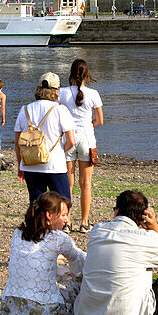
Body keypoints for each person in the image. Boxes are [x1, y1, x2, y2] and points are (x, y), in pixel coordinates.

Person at [0, 191, 86, 315]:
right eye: (63, 215)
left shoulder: (18, 233)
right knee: (80, 279)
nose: (67, 220)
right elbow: (80, 264)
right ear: (49, 215)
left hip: (10, 310)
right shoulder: (58, 238)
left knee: (56, 271)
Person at [14, 73, 76, 204]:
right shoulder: (60, 110)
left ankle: (39, 225)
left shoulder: (24, 109)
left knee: (37, 205)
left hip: (30, 164)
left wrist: (20, 166)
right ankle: (62, 225)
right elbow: (71, 141)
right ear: (56, 90)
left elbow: (17, 143)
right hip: (55, 165)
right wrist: (58, 151)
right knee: (63, 203)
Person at [59, 59, 103, 232]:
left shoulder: (62, 93)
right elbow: (99, 120)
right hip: (87, 139)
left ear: (71, 73)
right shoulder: (93, 94)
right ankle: (84, 222)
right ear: (87, 75)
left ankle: (67, 221)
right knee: (86, 184)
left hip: (67, 139)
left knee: (67, 184)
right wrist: (88, 124)